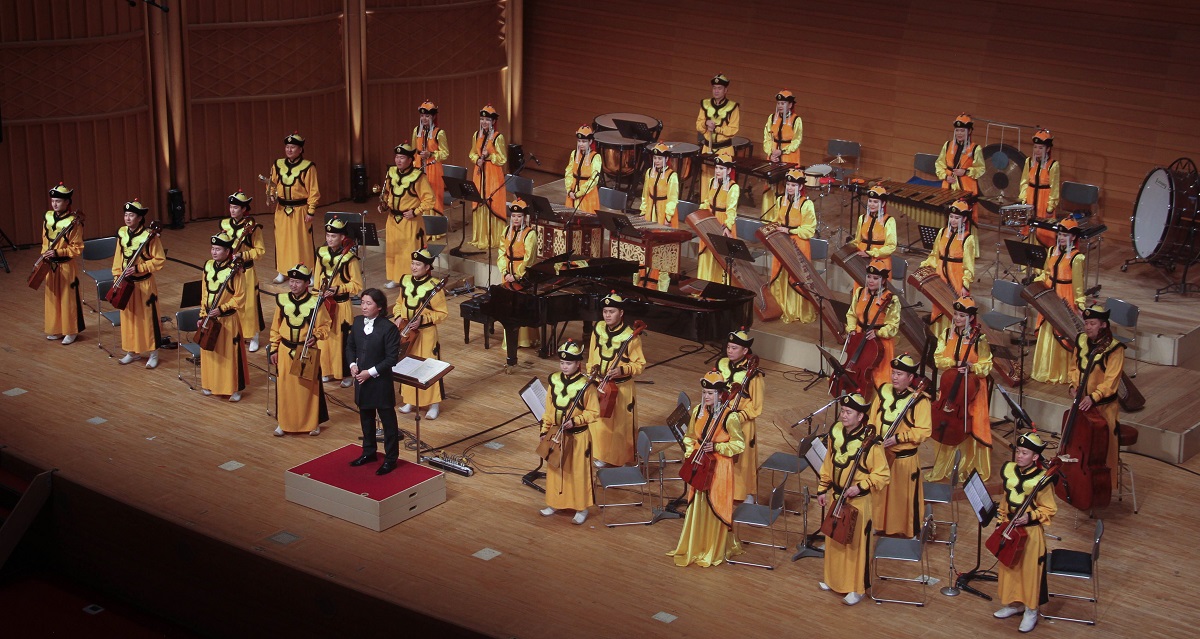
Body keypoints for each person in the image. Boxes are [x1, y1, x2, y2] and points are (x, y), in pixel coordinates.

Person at [816, 393, 890, 605]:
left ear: (860, 417)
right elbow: (828, 462)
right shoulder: (835, 432)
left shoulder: (872, 443)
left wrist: (860, 487)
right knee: (834, 538)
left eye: (849, 412)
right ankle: (833, 579)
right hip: (836, 496)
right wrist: (822, 488)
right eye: (843, 411)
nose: (844, 415)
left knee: (855, 545)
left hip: (858, 502)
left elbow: (883, 474)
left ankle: (856, 588)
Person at [668, 370, 746, 567]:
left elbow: (739, 445)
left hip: (719, 468)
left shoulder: (730, 417)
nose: (706, 396)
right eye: (704, 393)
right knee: (697, 503)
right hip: (700, 465)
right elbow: (689, 437)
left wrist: (718, 447)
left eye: (710, 393)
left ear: (720, 394)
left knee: (715, 504)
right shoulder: (698, 411)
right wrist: (691, 455)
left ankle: (713, 548)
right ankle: (697, 545)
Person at [992, 432, 1058, 633]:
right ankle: (1014, 604)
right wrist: (1001, 520)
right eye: (1018, 451)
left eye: (1025, 453)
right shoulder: (1010, 470)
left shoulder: (1042, 479)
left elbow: (1049, 509)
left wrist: (1029, 517)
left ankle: (1031, 610)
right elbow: (1006, 500)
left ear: (1035, 457)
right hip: (1010, 530)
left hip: (1030, 533)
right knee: (1009, 568)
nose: (1019, 456)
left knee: (1029, 573)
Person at [926, 297, 994, 482]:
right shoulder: (946, 334)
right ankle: (945, 465)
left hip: (972, 390)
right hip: (950, 387)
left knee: (971, 424)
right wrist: (955, 364)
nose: (957, 318)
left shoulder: (979, 339)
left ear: (971, 318)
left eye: (962, 315)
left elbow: (986, 365)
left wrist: (972, 368)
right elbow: (938, 359)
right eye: (956, 314)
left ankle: (967, 465)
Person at [869, 354, 932, 538]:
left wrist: (899, 438)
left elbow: (924, 431)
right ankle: (878, 525)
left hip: (903, 460)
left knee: (901, 498)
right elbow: (872, 419)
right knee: (879, 493)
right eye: (894, 373)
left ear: (910, 378)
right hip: (881, 454)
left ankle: (904, 530)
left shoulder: (920, 400)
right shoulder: (883, 390)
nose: (895, 377)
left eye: (900, 374)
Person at [539, 339, 599, 525]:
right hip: (557, 434)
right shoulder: (554, 381)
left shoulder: (587, 385)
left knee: (578, 472)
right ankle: (555, 502)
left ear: (578, 363)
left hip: (579, 437)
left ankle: (581, 508)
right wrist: (544, 430)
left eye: (569, 363)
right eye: (562, 362)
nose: (564, 366)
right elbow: (549, 410)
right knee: (555, 469)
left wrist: (575, 421)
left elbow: (594, 412)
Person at [1068, 304, 1126, 488]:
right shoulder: (1081, 340)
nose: (1088, 327)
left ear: (1103, 325)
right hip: (1081, 404)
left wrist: (1093, 397)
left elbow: (1111, 382)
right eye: (1086, 323)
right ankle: (1078, 482)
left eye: (1092, 323)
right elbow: (1073, 368)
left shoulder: (1115, 348)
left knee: (1104, 448)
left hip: (1103, 408)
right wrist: (1073, 386)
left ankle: (1104, 486)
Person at [347, 288, 403, 475]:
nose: (363, 306)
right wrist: (352, 365)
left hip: (380, 382)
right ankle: (369, 452)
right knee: (366, 418)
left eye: (368, 303)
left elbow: (391, 359)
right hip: (361, 381)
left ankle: (390, 459)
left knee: (388, 422)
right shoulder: (357, 322)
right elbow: (350, 347)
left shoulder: (388, 328)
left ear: (379, 307)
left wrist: (369, 373)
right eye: (362, 302)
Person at [269, 264, 331, 436]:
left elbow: (325, 325)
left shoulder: (316, 302)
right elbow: (275, 327)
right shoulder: (282, 300)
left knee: (308, 389)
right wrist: (274, 348)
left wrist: (316, 336)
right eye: (291, 281)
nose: (293, 285)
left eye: (298, 282)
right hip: (285, 350)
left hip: (306, 350)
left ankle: (312, 423)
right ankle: (284, 422)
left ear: (306, 283)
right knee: (284, 388)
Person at [586, 292, 646, 467]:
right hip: (600, 384)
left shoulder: (631, 336)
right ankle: (601, 455)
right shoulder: (598, 329)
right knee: (600, 422)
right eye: (605, 311)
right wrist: (591, 375)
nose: (607, 315)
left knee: (620, 425)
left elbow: (640, 365)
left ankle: (622, 459)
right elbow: (591, 355)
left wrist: (622, 370)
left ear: (621, 313)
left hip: (621, 387)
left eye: (611, 311)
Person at [392, 249, 448, 419]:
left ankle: (434, 404)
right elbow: (399, 303)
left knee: (428, 367)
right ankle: (410, 400)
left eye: (418, 264)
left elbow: (442, 313)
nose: (414, 267)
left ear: (427, 267)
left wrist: (423, 320)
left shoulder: (434, 286)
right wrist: (397, 316)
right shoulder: (405, 280)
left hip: (426, 334)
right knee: (407, 365)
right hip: (407, 333)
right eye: (413, 263)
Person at [110, 199, 165, 368]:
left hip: (144, 284)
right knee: (129, 318)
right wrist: (117, 276)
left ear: (140, 218)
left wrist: (139, 268)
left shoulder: (149, 236)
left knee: (148, 319)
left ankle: (153, 353)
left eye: (131, 215)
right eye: (126, 215)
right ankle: (132, 351)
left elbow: (159, 260)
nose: (127, 218)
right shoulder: (122, 233)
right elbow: (118, 257)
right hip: (126, 283)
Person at [1031, 219, 1086, 385]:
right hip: (1049, 296)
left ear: (1073, 237)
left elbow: (1078, 285)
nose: (1061, 238)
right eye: (1060, 234)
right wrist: (1036, 282)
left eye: (1065, 235)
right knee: (1047, 327)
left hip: (1065, 296)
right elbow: (1046, 273)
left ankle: (1061, 372)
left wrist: (1080, 304)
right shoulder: (1051, 251)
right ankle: (1046, 370)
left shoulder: (1077, 258)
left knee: (1062, 331)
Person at [762, 168, 817, 323]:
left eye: (794, 185)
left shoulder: (806, 204)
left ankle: (798, 310)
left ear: (800, 186)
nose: (790, 188)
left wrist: (790, 230)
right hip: (782, 242)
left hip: (798, 244)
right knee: (781, 274)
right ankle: (781, 307)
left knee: (796, 277)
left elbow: (809, 230)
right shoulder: (781, 200)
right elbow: (776, 220)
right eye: (788, 184)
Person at [717, 329, 764, 503]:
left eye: (734, 348)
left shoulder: (754, 374)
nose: (729, 351)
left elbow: (756, 406)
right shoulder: (722, 363)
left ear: (745, 351)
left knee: (744, 461)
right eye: (728, 347)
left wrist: (738, 417)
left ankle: (747, 494)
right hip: (721, 418)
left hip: (742, 422)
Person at [200, 232, 248, 402]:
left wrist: (222, 309)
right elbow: (204, 293)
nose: (214, 252)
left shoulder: (235, 271)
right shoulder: (208, 266)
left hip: (227, 320)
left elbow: (240, 297)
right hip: (209, 318)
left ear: (228, 251)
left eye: (218, 249)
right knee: (210, 352)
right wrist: (202, 314)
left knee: (229, 355)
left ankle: (234, 388)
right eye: (213, 248)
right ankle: (210, 383)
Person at [919, 198, 978, 335]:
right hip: (940, 277)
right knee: (938, 307)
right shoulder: (942, 232)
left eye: (957, 218)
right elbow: (935, 255)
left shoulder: (968, 238)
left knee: (954, 310)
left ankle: (952, 338)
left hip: (956, 279)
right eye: (951, 217)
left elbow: (969, 265)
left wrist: (965, 285)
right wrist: (925, 265)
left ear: (964, 219)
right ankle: (938, 337)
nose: (953, 220)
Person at [316, 217, 363, 387]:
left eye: (333, 236)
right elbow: (317, 278)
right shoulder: (321, 252)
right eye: (328, 235)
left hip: (342, 305)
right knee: (325, 337)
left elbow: (357, 285)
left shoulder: (350, 258)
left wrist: (339, 288)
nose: (329, 239)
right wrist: (318, 295)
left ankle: (346, 374)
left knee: (343, 339)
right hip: (325, 303)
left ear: (342, 237)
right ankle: (326, 370)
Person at [266, 132, 320, 282]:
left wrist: (311, 210)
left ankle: (308, 273)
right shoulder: (278, 164)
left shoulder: (308, 167)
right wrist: (271, 194)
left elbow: (313, 191)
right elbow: (272, 184)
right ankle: (282, 271)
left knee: (302, 242)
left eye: (293, 147)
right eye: (287, 147)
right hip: (281, 209)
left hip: (300, 209)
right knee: (281, 240)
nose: (289, 150)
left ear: (300, 149)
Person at [381, 142, 435, 289]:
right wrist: (384, 204)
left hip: (410, 220)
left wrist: (415, 211)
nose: (398, 160)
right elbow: (387, 192)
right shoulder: (391, 172)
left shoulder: (418, 176)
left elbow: (429, 199)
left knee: (409, 251)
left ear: (410, 160)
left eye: (402, 157)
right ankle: (396, 278)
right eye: (397, 157)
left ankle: (411, 279)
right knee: (394, 250)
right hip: (393, 219)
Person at [844, 258, 901, 393]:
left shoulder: (892, 299)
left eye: (875, 278)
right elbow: (852, 314)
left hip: (879, 343)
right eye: (869, 277)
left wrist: (878, 333)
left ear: (883, 280)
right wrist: (851, 329)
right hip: (860, 337)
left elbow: (893, 326)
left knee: (879, 375)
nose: (870, 281)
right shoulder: (859, 292)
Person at [220, 190, 266, 352]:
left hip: (246, 271)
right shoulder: (224, 224)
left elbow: (260, 251)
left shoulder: (253, 227)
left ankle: (253, 336)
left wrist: (243, 255)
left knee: (249, 305)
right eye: (231, 207)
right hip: (229, 270)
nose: (232, 210)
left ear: (244, 209)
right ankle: (236, 333)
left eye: (236, 207)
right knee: (232, 302)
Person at [40, 183, 85, 344]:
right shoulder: (48, 216)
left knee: (68, 298)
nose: (55, 204)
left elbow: (77, 248)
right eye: (53, 201)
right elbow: (45, 239)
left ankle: (71, 330)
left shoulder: (74, 222)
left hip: (65, 265)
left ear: (67, 202)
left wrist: (58, 252)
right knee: (52, 297)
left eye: (58, 201)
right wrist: (45, 254)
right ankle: (57, 328)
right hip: (50, 263)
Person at [498, 198, 539, 349]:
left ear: (524, 217)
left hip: (522, 274)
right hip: (507, 272)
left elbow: (529, 258)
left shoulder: (530, 234)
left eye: (519, 216)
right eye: (514, 216)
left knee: (521, 306)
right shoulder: (506, 231)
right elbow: (501, 252)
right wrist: (504, 271)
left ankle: (525, 339)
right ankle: (510, 339)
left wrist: (516, 275)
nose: (516, 219)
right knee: (508, 306)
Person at [469, 104, 508, 250]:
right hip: (479, 172)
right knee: (479, 200)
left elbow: (502, 159)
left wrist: (489, 156)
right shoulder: (476, 135)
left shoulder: (498, 137)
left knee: (492, 201)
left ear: (493, 121)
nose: (484, 122)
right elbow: (472, 153)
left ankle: (493, 238)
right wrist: (476, 159)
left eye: (487, 120)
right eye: (482, 119)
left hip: (493, 174)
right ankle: (481, 237)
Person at [696, 156, 740, 283]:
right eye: (716, 168)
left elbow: (731, 210)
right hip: (709, 220)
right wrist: (700, 212)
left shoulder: (733, 187)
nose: (718, 171)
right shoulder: (712, 182)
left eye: (721, 168)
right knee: (706, 253)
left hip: (722, 223)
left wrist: (728, 227)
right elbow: (707, 201)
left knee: (721, 257)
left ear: (729, 170)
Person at [1019, 129, 1061, 247]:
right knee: (1028, 228)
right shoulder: (1029, 162)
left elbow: (1055, 188)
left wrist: (1050, 207)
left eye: (1041, 148)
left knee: (1043, 231)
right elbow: (1024, 182)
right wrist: (1024, 200)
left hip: (1044, 201)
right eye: (1035, 147)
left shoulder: (1053, 165)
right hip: (1030, 199)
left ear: (1047, 149)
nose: (1037, 150)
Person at [696, 73, 740, 184]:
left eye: (719, 88)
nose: (716, 91)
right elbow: (699, 126)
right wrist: (705, 123)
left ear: (725, 90)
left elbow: (733, 130)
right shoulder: (705, 104)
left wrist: (717, 129)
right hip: (707, 148)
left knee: (724, 182)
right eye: (714, 88)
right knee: (706, 180)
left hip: (724, 150)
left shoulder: (733, 107)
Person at [413, 101, 450, 216]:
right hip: (419, 167)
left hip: (433, 168)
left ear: (433, 117)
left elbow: (445, 153)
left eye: (427, 116)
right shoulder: (416, 131)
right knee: (419, 195)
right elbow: (414, 150)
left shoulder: (439, 133)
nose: (424, 118)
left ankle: (434, 224)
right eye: (422, 116)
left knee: (434, 196)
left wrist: (431, 154)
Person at [935, 114, 985, 199]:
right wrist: (945, 176)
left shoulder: (975, 148)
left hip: (967, 188)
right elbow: (939, 164)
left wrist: (966, 172)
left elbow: (981, 169)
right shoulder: (948, 145)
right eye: (957, 130)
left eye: (962, 131)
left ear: (969, 131)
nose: (959, 133)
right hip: (948, 187)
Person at [640, 142, 679, 227]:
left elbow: (672, 198)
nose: (656, 161)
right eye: (655, 158)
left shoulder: (672, 175)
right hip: (650, 208)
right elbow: (645, 194)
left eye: (660, 158)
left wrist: (668, 217)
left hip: (663, 210)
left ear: (666, 159)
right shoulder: (649, 172)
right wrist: (644, 211)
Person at [564, 125, 601, 214]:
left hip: (587, 195)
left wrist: (579, 194)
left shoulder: (595, 157)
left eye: (584, 141)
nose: (581, 144)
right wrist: (569, 190)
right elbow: (568, 172)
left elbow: (594, 179)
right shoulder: (574, 154)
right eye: (579, 141)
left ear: (590, 141)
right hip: (572, 193)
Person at [854, 185, 896, 260]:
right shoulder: (862, 218)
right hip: (861, 255)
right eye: (870, 201)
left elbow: (891, 246)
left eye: (875, 202)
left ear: (883, 204)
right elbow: (857, 241)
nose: (872, 204)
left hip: (879, 258)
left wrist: (871, 253)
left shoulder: (889, 220)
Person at [762, 89, 802, 165]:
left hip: (789, 157)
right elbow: (767, 138)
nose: (780, 106)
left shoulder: (796, 120)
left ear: (790, 105)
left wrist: (782, 151)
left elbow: (797, 141)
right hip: (773, 155)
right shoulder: (772, 117)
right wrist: (771, 154)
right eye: (778, 103)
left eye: (783, 103)